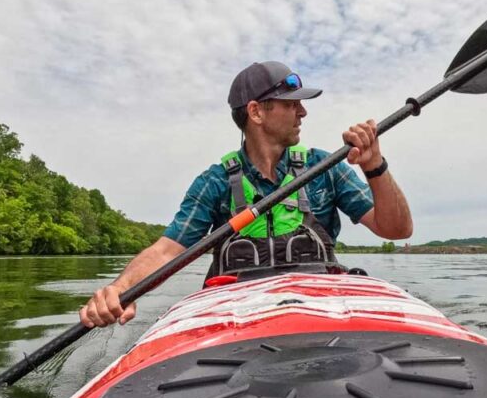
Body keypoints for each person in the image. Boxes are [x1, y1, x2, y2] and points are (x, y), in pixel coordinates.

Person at [79, 61, 413, 328]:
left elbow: (397, 230)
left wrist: (375, 166)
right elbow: (167, 251)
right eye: (291, 103)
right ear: (256, 112)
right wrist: (121, 289)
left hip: (320, 317)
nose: (303, 112)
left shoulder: (324, 167)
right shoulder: (215, 183)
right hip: (238, 324)